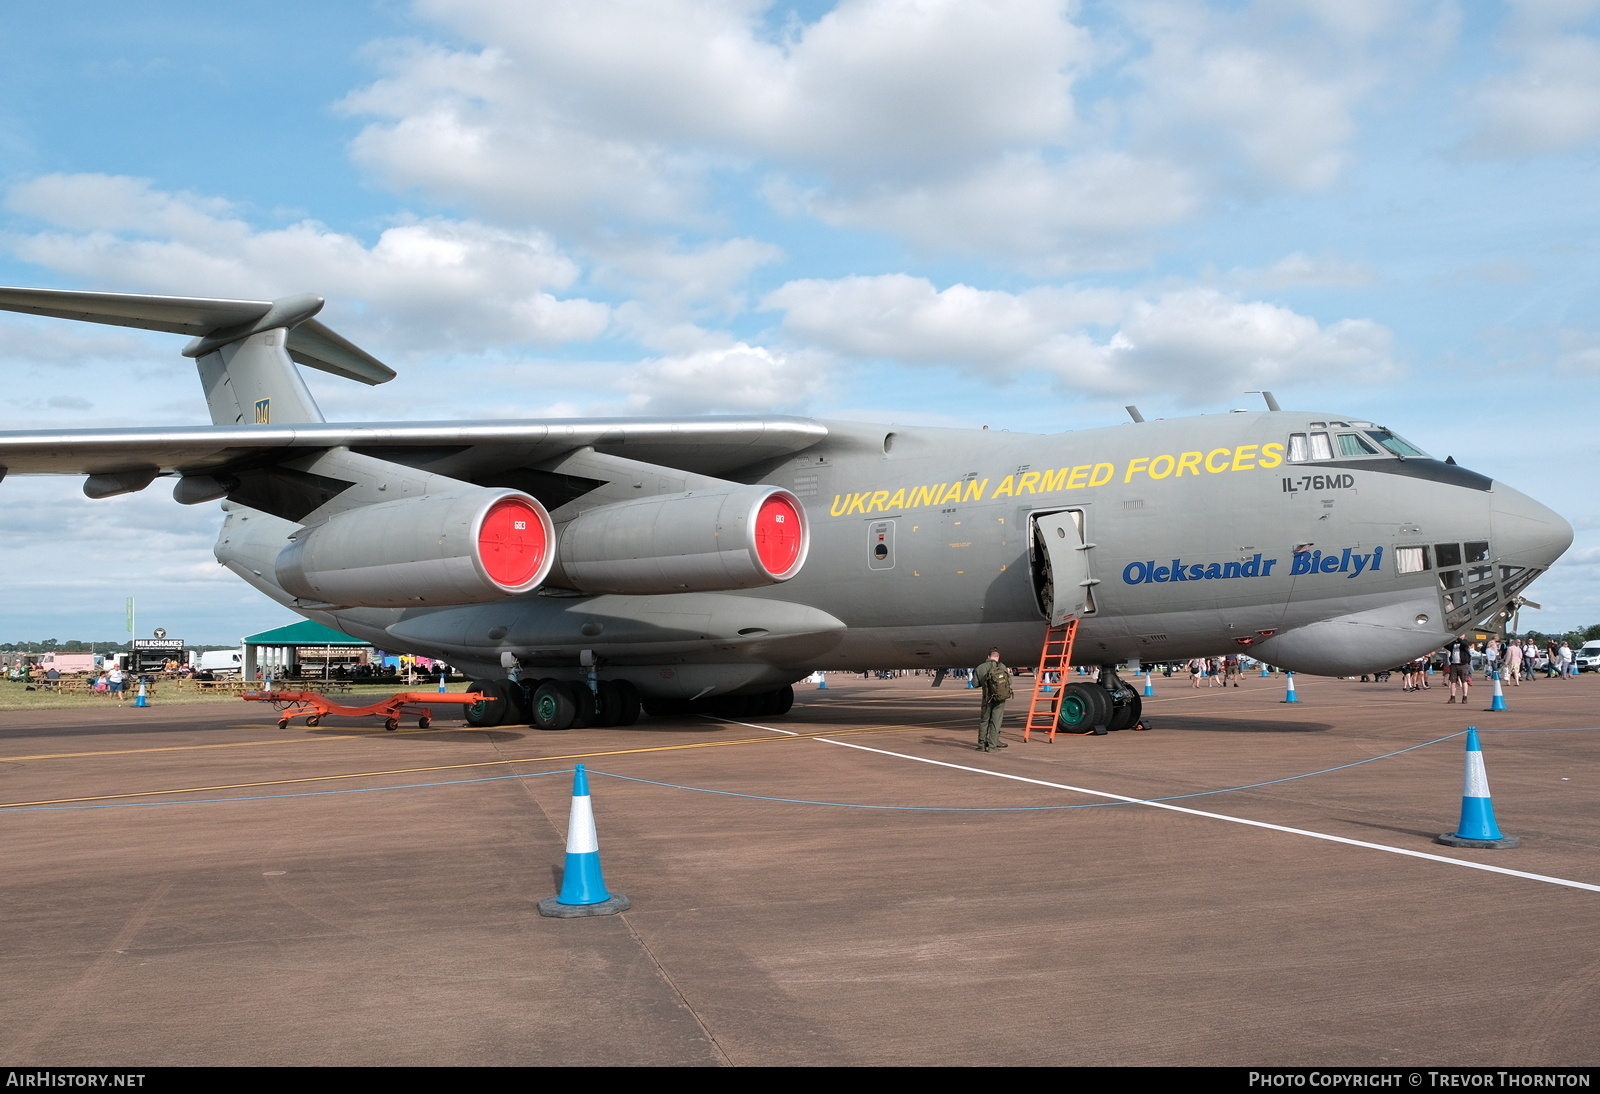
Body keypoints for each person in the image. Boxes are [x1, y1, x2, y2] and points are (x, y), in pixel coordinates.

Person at [972, 648, 1012, 753]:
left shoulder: (980, 667)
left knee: (984, 721)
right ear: (998, 657)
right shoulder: (1002, 666)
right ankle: (993, 745)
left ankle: (981, 745)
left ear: (988, 656)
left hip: (987, 698)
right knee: (996, 722)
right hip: (999, 698)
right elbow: (1009, 682)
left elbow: (975, 684)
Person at [1445, 635, 1472, 704]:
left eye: (1461, 635)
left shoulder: (1465, 642)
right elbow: (1447, 645)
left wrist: (1458, 638)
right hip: (1454, 664)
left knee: (1464, 680)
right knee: (1453, 681)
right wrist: (1452, 639)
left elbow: (1465, 644)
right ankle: (1452, 697)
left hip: (1463, 664)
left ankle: (1465, 697)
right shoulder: (1453, 644)